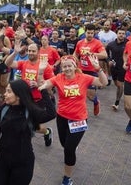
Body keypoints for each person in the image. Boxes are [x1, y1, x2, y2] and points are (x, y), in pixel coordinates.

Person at [38, 55, 107, 185]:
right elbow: (43, 85)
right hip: (62, 117)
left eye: (70, 65)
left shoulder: (84, 78)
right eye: (64, 66)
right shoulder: (58, 78)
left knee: (68, 149)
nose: (67, 68)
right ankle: (71, 149)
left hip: (79, 119)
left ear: (75, 66)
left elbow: (104, 83)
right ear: (61, 68)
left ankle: (67, 177)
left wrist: (98, 69)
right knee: (65, 144)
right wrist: (41, 73)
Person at [0, 79, 56, 185]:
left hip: (23, 162)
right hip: (3, 159)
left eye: (9, 91)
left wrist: (43, 90)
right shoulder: (4, 108)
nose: (5, 94)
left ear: (19, 95)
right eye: (6, 91)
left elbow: (51, 114)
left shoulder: (30, 111)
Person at [5, 40, 55, 147]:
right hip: (24, 99)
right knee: (24, 123)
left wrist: (38, 85)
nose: (30, 53)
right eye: (29, 51)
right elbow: (7, 63)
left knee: (36, 127)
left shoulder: (44, 66)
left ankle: (47, 132)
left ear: (38, 52)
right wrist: (15, 53)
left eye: (33, 51)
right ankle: (23, 143)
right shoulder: (24, 63)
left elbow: (52, 83)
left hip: (38, 100)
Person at [74, 23, 108, 116]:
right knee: (78, 92)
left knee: (90, 95)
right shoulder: (80, 43)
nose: (89, 35)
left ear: (94, 33)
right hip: (81, 70)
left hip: (92, 71)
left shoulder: (97, 43)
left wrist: (92, 54)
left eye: (91, 33)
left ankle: (96, 102)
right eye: (88, 33)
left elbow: (104, 55)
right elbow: (75, 54)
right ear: (85, 32)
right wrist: (74, 62)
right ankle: (81, 112)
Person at [106, 27, 128, 111]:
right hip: (114, 67)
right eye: (120, 33)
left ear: (125, 35)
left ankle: (117, 102)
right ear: (117, 34)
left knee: (119, 85)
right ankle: (121, 92)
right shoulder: (111, 44)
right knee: (116, 84)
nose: (121, 35)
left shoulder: (128, 44)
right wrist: (109, 61)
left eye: (123, 33)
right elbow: (106, 53)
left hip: (123, 68)